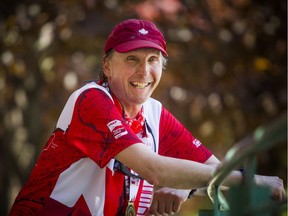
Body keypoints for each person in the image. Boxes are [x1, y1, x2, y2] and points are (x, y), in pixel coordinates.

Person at [10, 19, 285, 216]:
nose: (144, 71)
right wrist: (254, 180)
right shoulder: (91, 100)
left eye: (153, 59)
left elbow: (215, 168)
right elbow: (155, 170)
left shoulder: (154, 112)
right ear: (106, 66)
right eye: (131, 59)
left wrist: (185, 189)